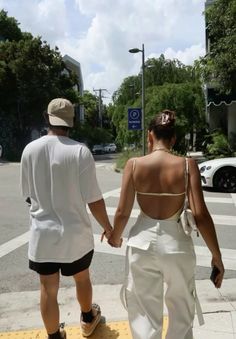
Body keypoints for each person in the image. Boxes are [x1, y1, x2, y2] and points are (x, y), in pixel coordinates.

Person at [108, 110, 224, 339]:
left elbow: (122, 212)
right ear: (173, 139)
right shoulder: (187, 165)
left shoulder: (133, 165)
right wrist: (216, 255)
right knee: (181, 311)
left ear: (149, 136)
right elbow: (200, 215)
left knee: (143, 314)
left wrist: (115, 236)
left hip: (141, 244)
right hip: (177, 245)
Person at [20, 98, 112, 339]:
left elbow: (28, 195)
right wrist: (108, 227)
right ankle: (88, 318)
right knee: (82, 279)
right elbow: (94, 200)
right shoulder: (79, 151)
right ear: (71, 122)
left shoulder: (29, 150)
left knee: (48, 289)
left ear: (47, 118)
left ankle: (54, 336)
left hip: (43, 235)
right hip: (75, 235)